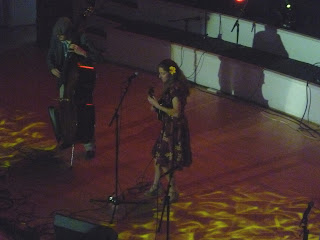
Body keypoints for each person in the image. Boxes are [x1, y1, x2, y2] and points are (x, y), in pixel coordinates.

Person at [47, 17, 102, 159]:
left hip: (81, 84)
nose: (59, 38)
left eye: (62, 35)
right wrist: (52, 68)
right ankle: (67, 137)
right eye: (57, 35)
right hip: (65, 82)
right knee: (65, 110)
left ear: (69, 32)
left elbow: (98, 57)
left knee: (84, 115)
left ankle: (89, 145)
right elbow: (50, 57)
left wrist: (82, 52)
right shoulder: (56, 40)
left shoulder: (82, 38)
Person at [146, 59, 192, 203]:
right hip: (168, 125)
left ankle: (172, 191)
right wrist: (157, 106)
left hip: (175, 128)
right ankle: (156, 185)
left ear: (170, 73)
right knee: (158, 156)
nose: (160, 76)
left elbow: (176, 112)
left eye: (163, 73)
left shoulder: (175, 89)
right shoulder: (170, 86)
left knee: (164, 159)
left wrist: (156, 106)